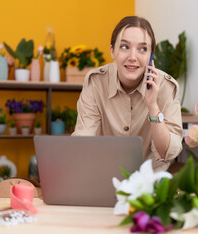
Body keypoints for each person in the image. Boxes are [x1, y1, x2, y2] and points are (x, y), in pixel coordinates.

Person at [72, 16, 183, 172]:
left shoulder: (166, 86)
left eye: (143, 49)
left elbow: (167, 152)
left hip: (150, 182)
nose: (132, 57)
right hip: (104, 178)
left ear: (151, 55)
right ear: (112, 51)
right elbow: (84, 138)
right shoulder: (96, 82)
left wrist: (153, 106)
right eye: (124, 47)